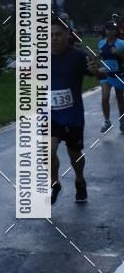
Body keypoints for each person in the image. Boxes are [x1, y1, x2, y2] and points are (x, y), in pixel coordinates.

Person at [51, 16, 102, 205]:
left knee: (74, 154)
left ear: (67, 34)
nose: (54, 38)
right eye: (50, 35)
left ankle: (80, 180)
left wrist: (96, 70)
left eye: (58, 34)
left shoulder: (78, 56)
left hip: (73, 115)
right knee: (48, 151)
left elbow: (97, 74)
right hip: (50, 115)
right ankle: (54, 183)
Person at [97, 21, 124, 133]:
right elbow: (100, 58)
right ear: (105, 30)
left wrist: (119, 54)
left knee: (120, 99)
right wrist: (100, 67)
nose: (110, 31)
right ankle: (107, 121)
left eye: (112, 29)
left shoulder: (121, 43)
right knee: (105, 97)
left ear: (116, 31)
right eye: (108, 29)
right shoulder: (101, 43)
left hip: (118, 74)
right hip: (106, 74)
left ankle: (122, 120)